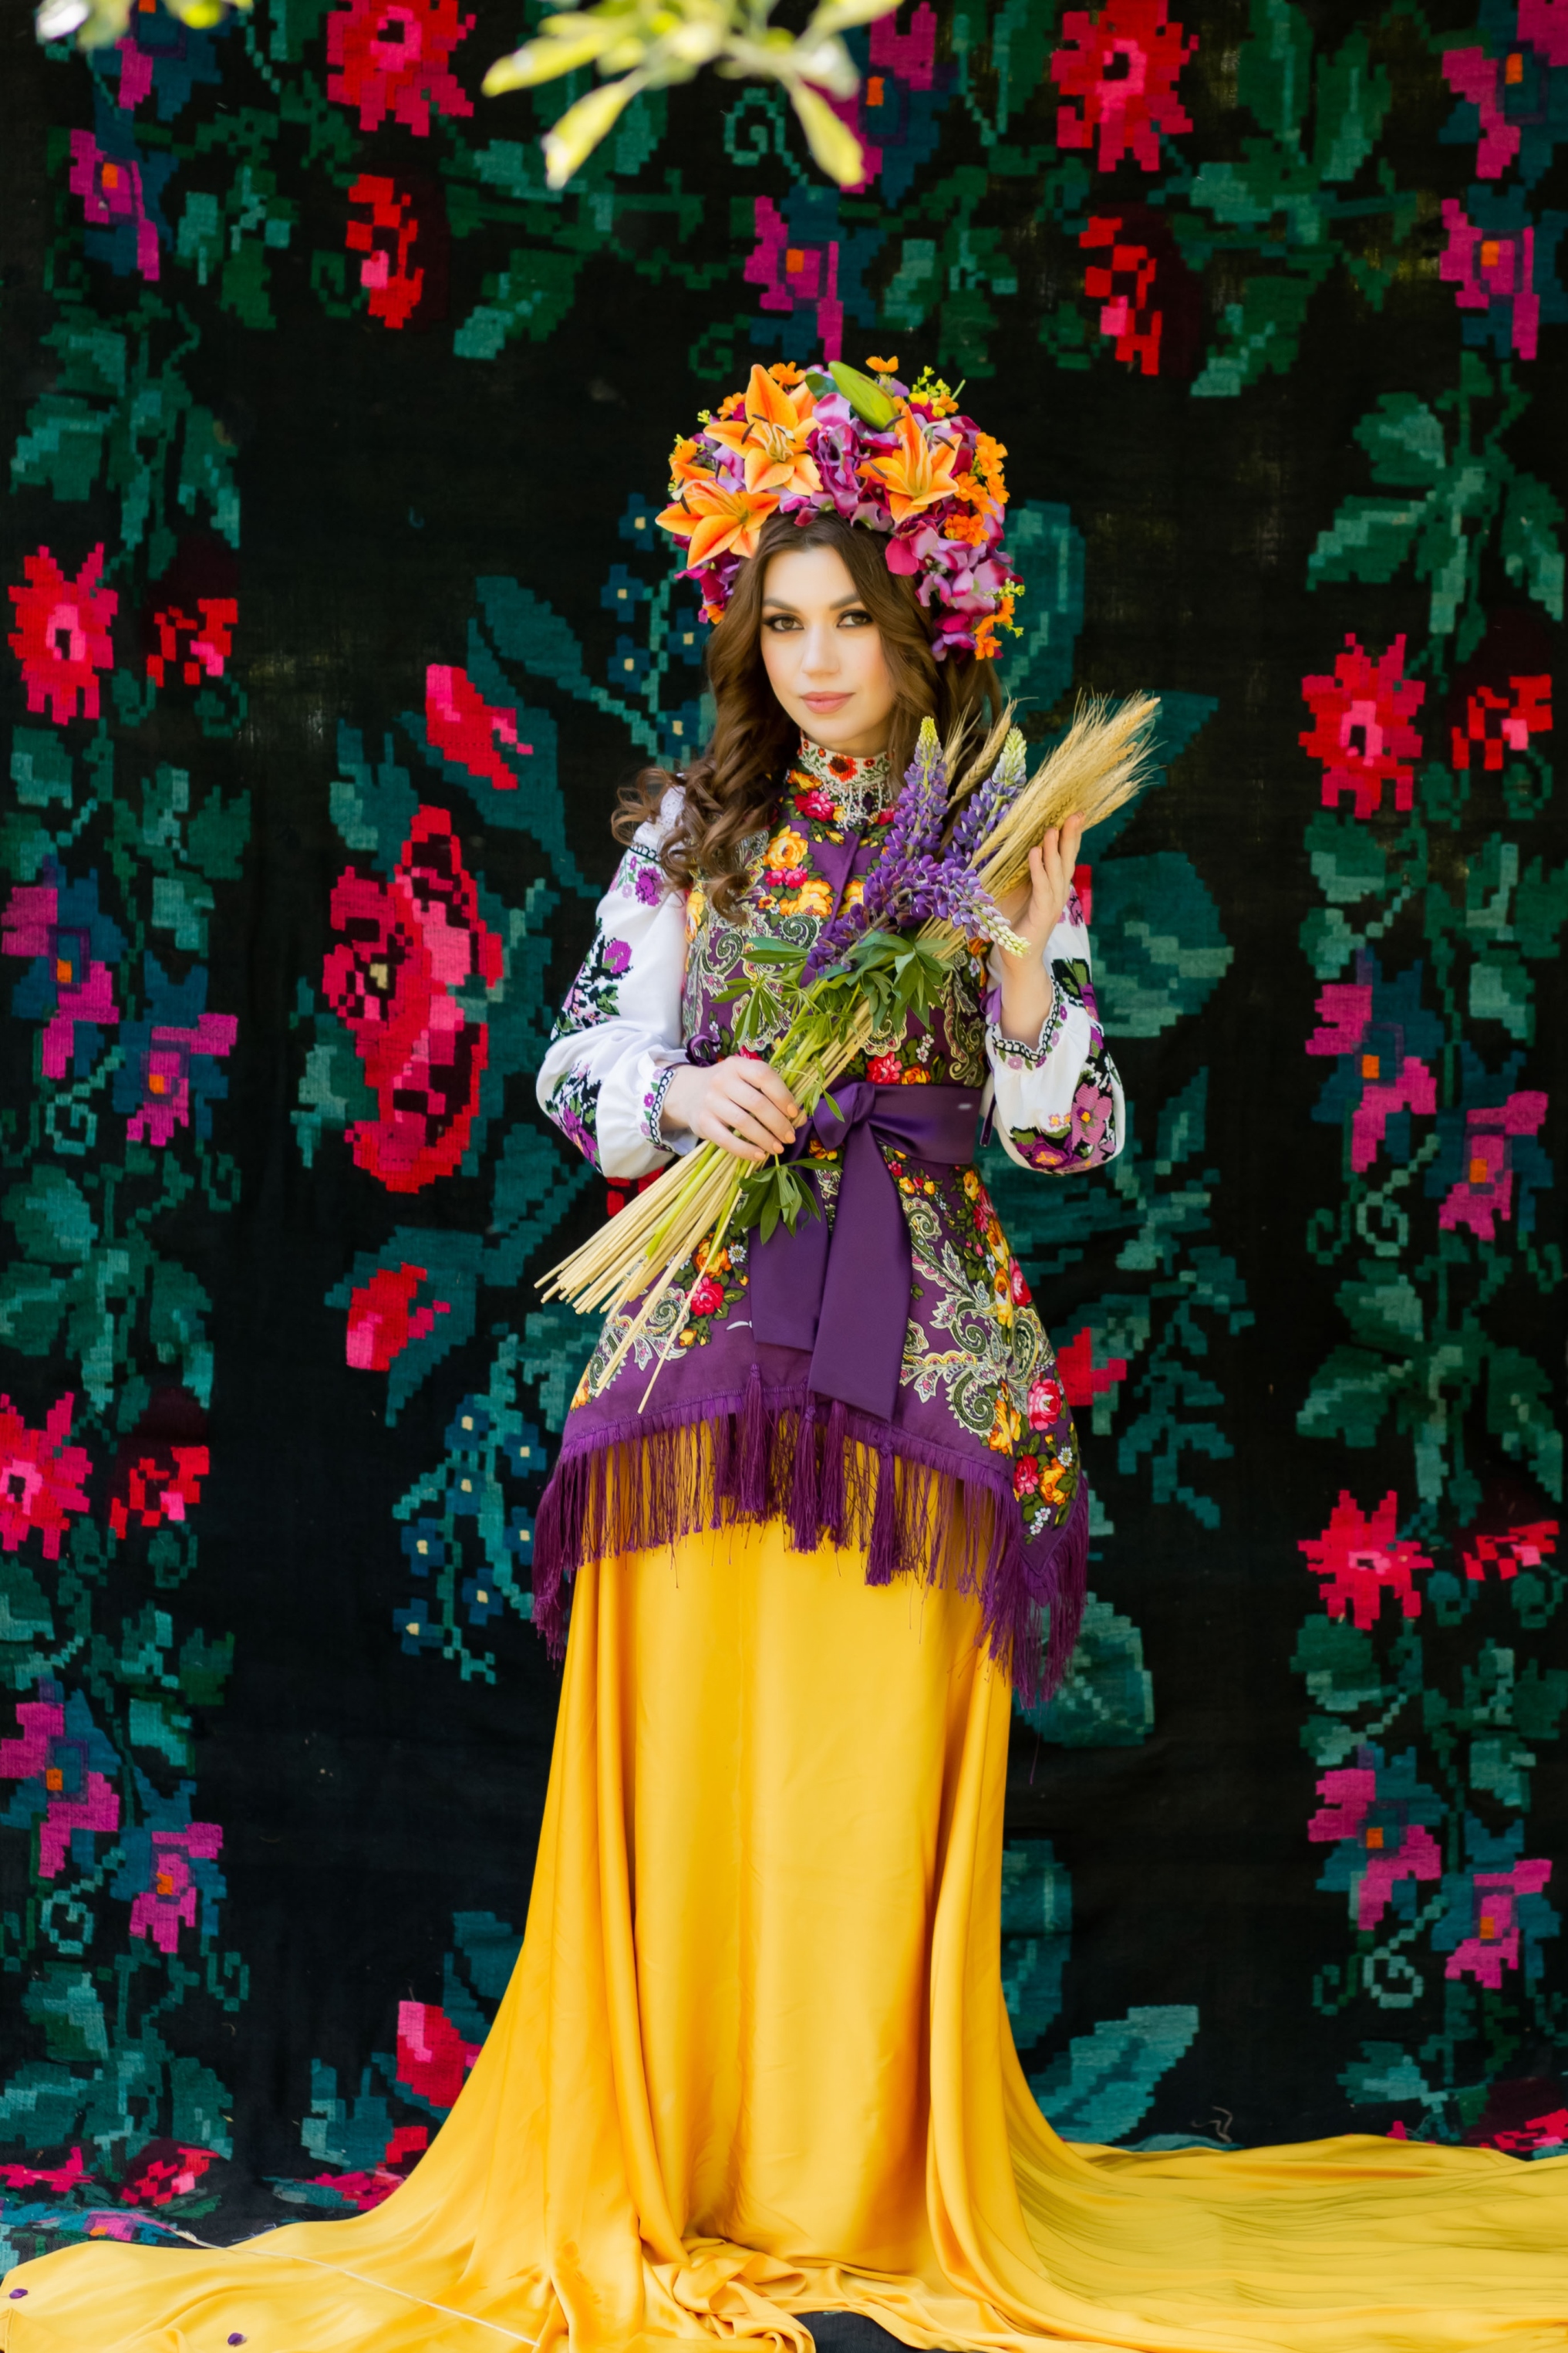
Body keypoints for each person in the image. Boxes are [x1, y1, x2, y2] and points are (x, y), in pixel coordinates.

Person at [5, 362, 1566, 2353]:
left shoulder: (1003, 832)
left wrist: (1024, 967)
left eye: (853, 619)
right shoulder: (688, 830)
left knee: (872, 1762)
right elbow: (577, 1067)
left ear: (923, 627)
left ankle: (857, 2186)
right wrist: (684, 1087)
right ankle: (673, 2162)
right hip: (711, 1339)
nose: (817, 659)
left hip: (923, 1353)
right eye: (785, 621)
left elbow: (1066, 1133)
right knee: (693, 1749)